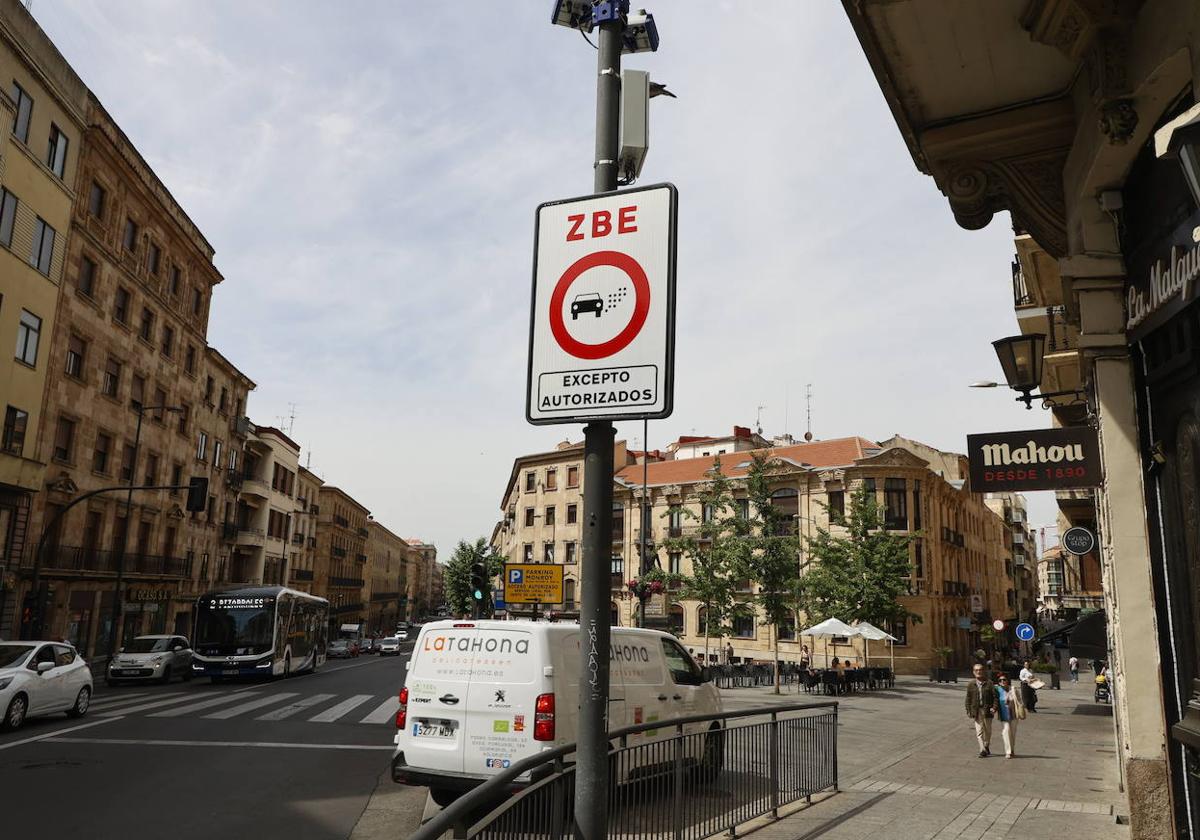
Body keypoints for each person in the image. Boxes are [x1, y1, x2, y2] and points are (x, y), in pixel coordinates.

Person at [965, 663, 998, 758]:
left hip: (987, 710)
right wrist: (968, 710)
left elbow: (995, 697)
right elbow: (968, 698)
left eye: (980, 670)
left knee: (988, 730)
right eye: (976, 670)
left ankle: (986, 745)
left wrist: (994, 707)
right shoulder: (971, 684)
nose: (978, 672)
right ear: (973, 672)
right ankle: (982, 749)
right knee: (979, 731)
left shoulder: (989, 683)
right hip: (977, 710)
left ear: (983, 671)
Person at [994, 673, 1026, 758]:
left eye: (1004, 679)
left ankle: (1012, 749)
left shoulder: (1013, 689)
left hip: (1014, 714)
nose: (1002, 681)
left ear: (1007, 681)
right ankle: (1008, 751)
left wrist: (1021, 707)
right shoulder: (997, 689)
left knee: (1012, 733)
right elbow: (994, 699)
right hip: (1004, 715)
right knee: (1006, 731)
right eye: (1000, 680)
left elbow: (1019, 700)